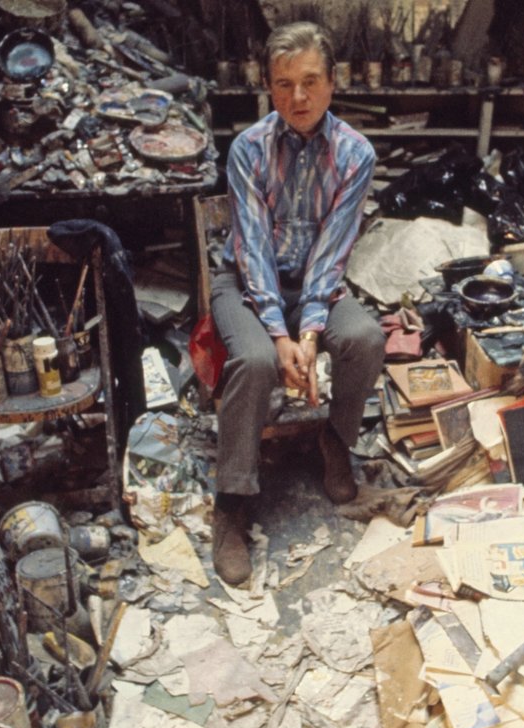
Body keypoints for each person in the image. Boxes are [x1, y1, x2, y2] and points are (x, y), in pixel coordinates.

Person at [209, 21, 384, 586]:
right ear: (268, 86)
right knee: (256, 359)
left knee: (364, 338)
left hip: (316, 284)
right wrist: (280, 337)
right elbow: (253, 249)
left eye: (311, 81)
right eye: (284, 84)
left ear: (333, 82)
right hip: (244, 282)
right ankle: (232, 502)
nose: (298, 97)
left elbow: (333, 252)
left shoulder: (355, 153)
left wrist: (308, 334)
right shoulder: (249, 148)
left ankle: (335, 440)